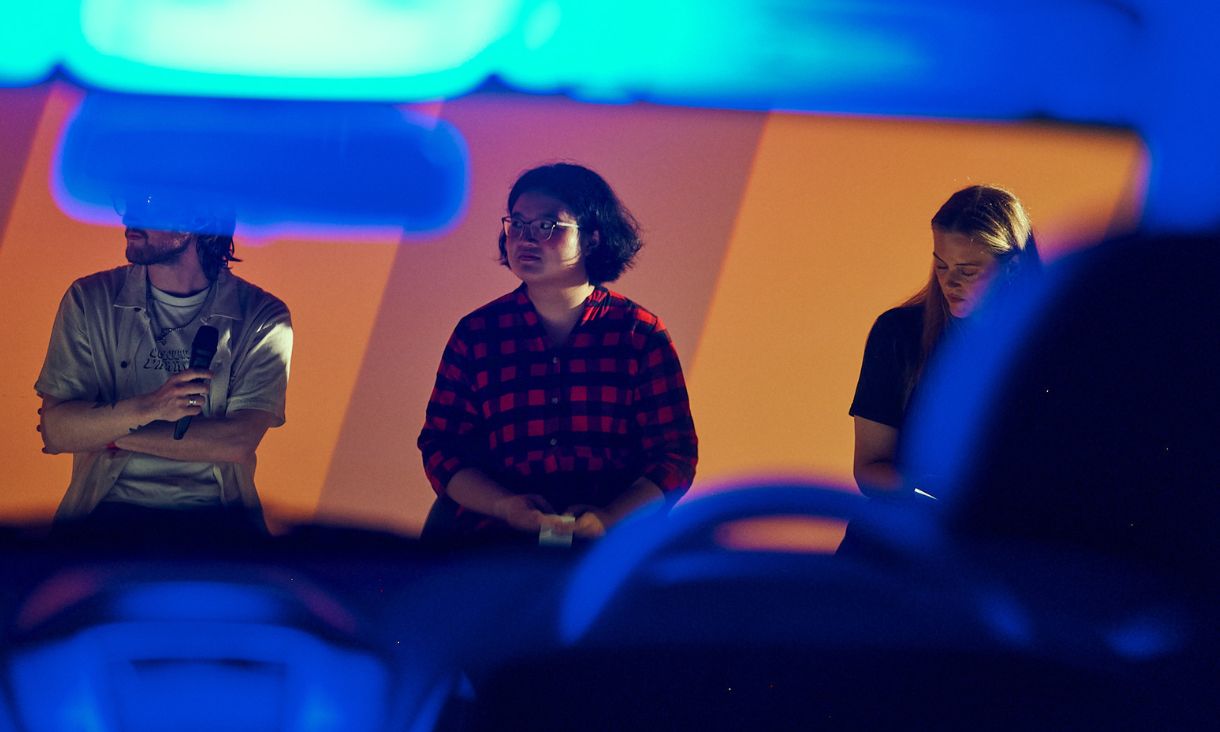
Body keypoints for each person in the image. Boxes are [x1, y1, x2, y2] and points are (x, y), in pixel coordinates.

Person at [418, 163, 697, 546]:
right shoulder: (477, 334)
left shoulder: (639, 334)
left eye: (547, 226)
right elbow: (442, 448)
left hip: (612, 543)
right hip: (494, 542)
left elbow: (674, 457)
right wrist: (505, 506)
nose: (526, 238)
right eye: (517, 224)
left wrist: (610, 518)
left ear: (592, 238)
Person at [36, 192, 292, 538]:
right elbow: (57, 432)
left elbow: (235, 443)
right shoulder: (88, 299)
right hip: (105, 521)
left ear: (200, 218)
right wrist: (151, 407)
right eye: (127, 202)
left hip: (214, 525)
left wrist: (105, 435)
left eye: (149, 203)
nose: (129, 217)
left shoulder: (263, 317)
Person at [849, 185, 1039, 498]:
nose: (949, 282)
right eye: (941, 266)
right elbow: (869, 468)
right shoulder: (898, 333)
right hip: (908, 523)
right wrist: (934, 494)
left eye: (968, 271)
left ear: (1013, 267)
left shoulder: (1051, 345)